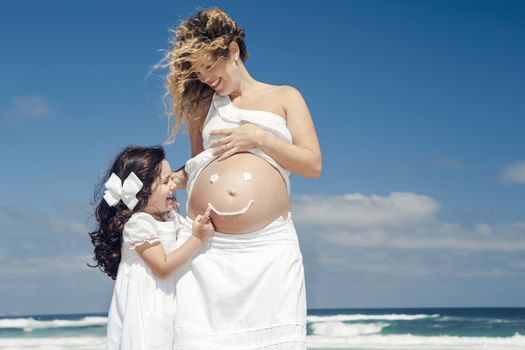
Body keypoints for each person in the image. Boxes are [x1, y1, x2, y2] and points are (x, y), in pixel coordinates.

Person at [164, 7, 322, 349]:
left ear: (232, 51)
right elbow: (196, 166)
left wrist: (260, 138)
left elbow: (312, 166)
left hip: (268, 250)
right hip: (208, 250)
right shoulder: (201, 107)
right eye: (197, 71)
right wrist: (161, 181)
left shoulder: (285, 97)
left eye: (209, 66)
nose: (205, 78)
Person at [88, 145, 214, 350]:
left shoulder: (167, 217)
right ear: (141, 192)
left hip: (166, 304)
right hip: (147, 310)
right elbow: (162, 267)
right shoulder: (139, 224)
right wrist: (197, 239)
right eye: (165, 182)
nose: (173, 184)